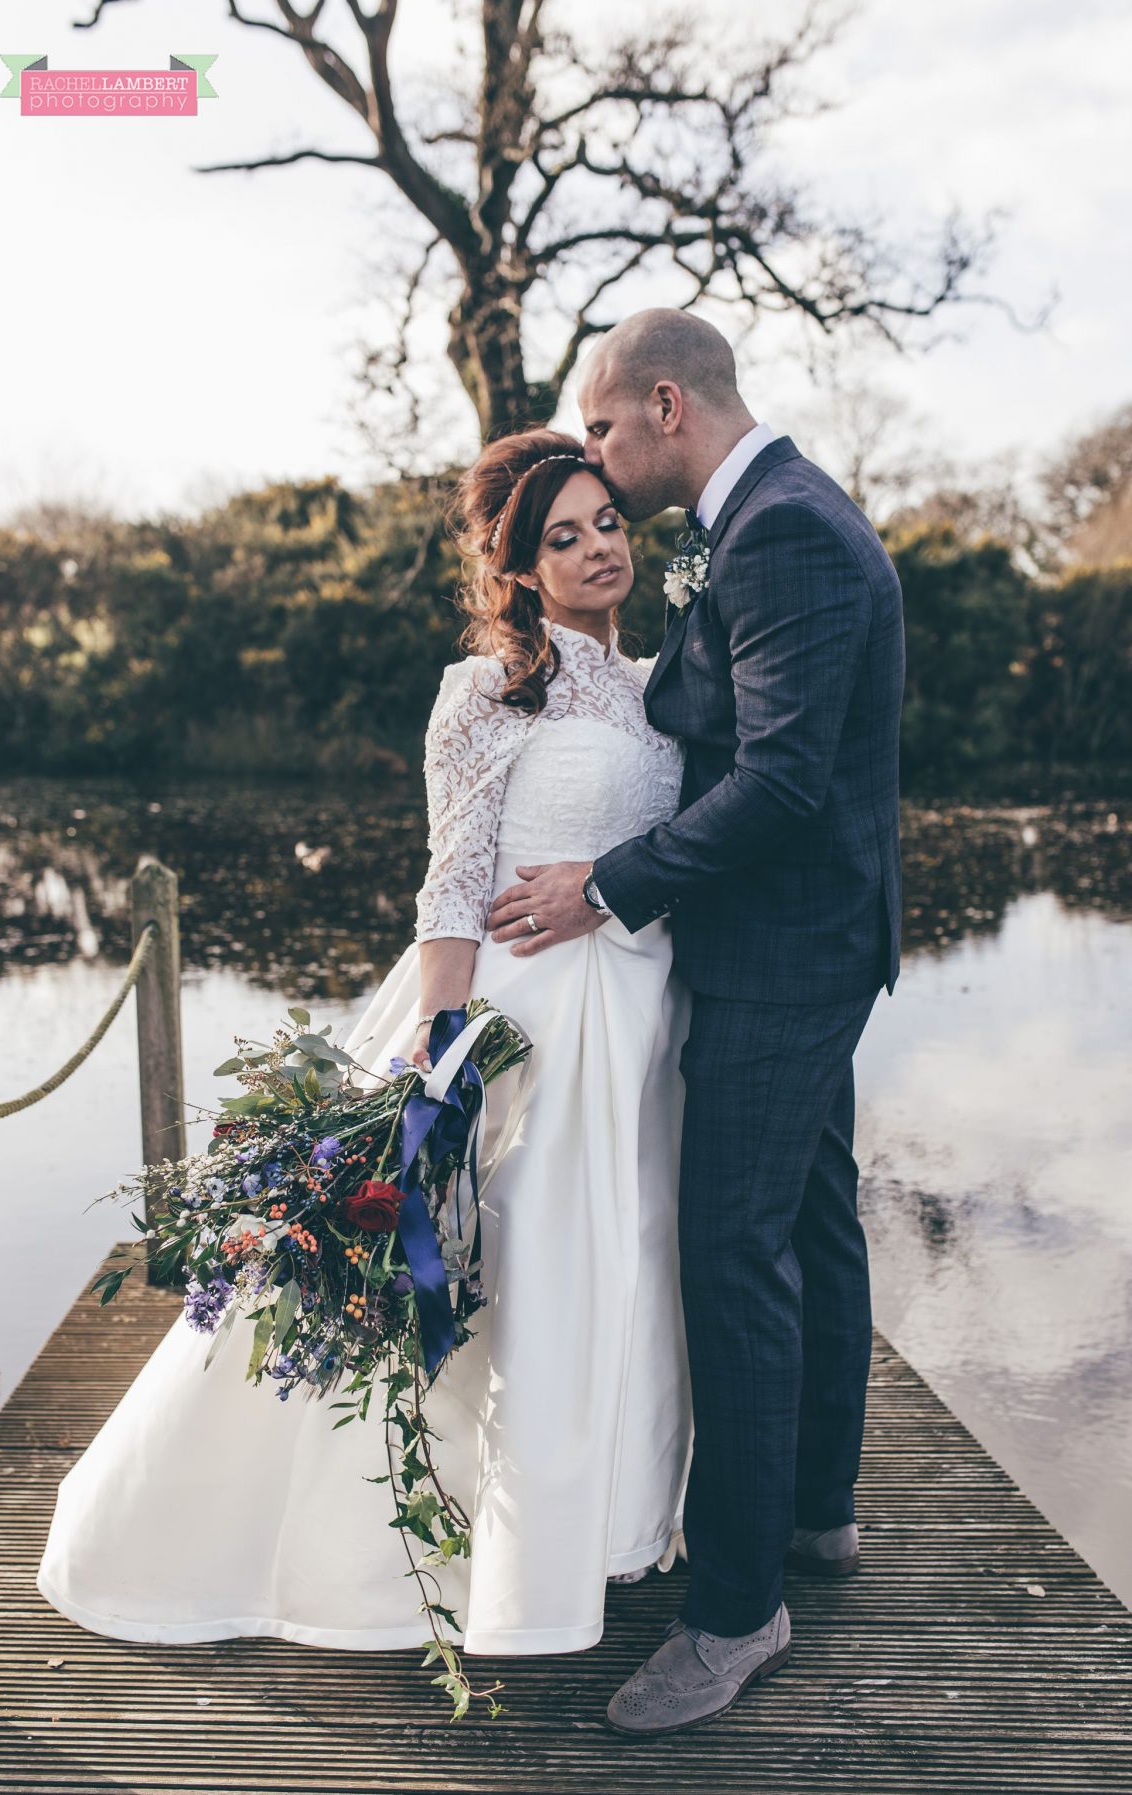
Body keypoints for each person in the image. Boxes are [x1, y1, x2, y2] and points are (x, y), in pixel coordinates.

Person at [35, 428, 694, 1659]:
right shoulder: (486, 688)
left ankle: (606, 1528)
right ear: (520, 567)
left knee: (627, 1265)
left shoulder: (663, 681)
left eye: (609, 522)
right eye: (565, 537)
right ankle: (452, 1569)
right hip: (524, 1027)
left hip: (644, 1026)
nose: (600, 548)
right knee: (515, 1287)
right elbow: (453, 882)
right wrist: (437, 1057)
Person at [488, 308, 905, 1735]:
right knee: (813, 1213)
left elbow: (781, 782)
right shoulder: (779, 518)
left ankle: (737, 1605)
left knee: (734, 1248)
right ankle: (817, 1507)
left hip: (782, 951)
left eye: (602, 427)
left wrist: (604, 885)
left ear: (664, 405)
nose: (594, 453)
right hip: (813, 939)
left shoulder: (781, 531)